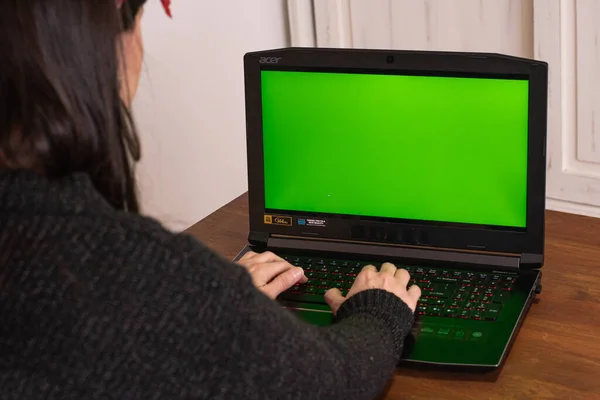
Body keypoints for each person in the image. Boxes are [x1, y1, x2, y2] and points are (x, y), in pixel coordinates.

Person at [0, 1, 422, 399]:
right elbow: (335, 382)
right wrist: (381, 310)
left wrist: (213, 304)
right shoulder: (131, 274)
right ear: (98, 37)